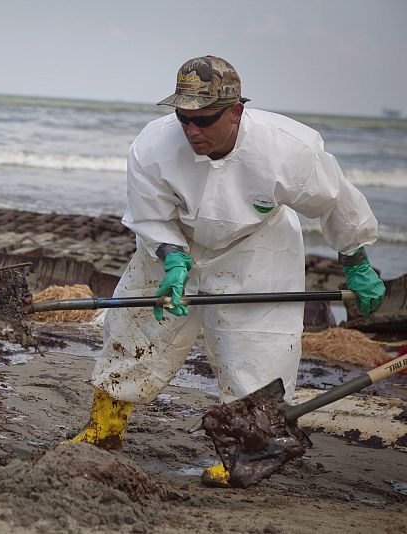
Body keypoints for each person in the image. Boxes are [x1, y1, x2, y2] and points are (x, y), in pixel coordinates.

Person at [67, 55, 386, 486]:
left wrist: (356, 259)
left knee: (256, 351)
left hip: (256, 244)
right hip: (175, 242)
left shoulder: (288, 147)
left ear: (236, 110)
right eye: (184, 118)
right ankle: (105, 428)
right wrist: (172, 257)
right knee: (134, 328)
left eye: (205, 119)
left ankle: (249, 449)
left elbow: (334, 202)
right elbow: (149, 215)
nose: (192, 130)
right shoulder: (153, 146)